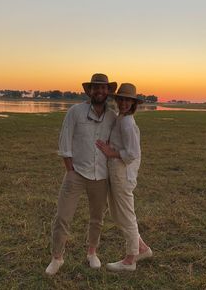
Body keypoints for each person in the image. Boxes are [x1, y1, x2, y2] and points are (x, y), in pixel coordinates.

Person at [45, 73, 117, 275]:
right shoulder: (75, 111)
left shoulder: (112, 116)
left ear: (108, 91)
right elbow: (65, 140)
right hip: (76, 173)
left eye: (103, 88)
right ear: (89, 91)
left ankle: (92, 252)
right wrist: (70, 168)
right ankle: (57, 258)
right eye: (96, 88)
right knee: (63, 216)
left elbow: (117, 142)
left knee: (97, 217)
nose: (100, 91)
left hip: (101, 175)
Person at [96, 83, 153, 271]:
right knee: (117, 213)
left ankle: (130, 259)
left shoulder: (127, 122)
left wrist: (109, 151)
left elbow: (132, 154)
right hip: (116, 171)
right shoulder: (121, 118)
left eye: (127, 100)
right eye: (121, 99)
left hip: (122, 173)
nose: (123, 103)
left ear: (133, 103)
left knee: (126, 215)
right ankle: (142, 248)